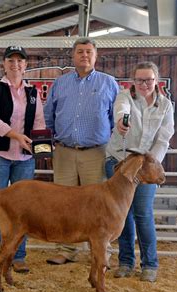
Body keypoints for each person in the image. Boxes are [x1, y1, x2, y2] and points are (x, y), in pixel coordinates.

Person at [44, 37, 119, 265]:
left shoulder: (109, 83)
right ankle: (66, 249)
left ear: (95, 56)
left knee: (98, 205)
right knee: (63, 203)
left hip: (96, 152)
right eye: (80, 52)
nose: (84, 55)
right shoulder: (61, 83)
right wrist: (54, 142)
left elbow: (115, 119)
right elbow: (49, 114)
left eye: (88, 52)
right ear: (73, 56)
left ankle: (101, 252)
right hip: (64, 151)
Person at [105, 61, 174, 282]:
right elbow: (121, 110)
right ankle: (125, 262)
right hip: (120, 161)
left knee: (143, 213)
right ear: (133, 81)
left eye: (148, 80)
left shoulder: (165, 105)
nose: (144, 84)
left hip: (144, 167)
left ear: (157, 81)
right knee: (121, 215)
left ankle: (150, 264)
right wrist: (120, 122)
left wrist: (149, 165)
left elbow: (163, 139)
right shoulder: (125, 97)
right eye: (139, 80)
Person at [0, 46, 46, 273]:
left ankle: (18, 256)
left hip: (24, 158)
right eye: (11, 60)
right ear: (4, 63)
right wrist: (16, 135)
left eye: (20, 61)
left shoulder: (33, 93)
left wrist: (40, 143)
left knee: (23, 209)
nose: (16, 64)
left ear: (26, 65)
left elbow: (39, 122)